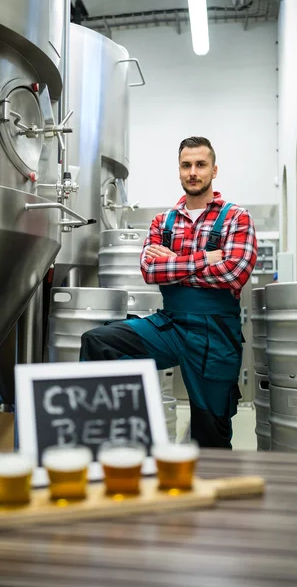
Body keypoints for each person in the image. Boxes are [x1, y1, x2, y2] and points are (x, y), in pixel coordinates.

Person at [80, 136, 257, 448]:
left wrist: (174, 263)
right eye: (186, 165)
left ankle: (208, 484)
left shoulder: (236, 217)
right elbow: (150, 272)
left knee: (211, 434)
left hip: (215, 334)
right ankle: (109, 444)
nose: (193, 171)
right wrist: (203, 260)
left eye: (200, 165)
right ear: (178, 170)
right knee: (98, 342)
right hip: (170, 324)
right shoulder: (163, 222)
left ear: (214, 170)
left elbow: (234, 272)